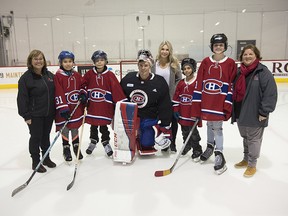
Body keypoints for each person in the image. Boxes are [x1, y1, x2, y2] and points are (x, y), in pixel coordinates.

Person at [191, 33, 237, 175]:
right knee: (210, 125)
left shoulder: (230, 63)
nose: (218, 47)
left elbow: (231, 84)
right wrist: (197, 103)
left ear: (225, 46)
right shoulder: (205, 62)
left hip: (219, 102)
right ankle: (210, 147)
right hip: (207, 102)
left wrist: (227, 103)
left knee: (217, 128)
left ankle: (219, 153)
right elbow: (199, 83)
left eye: (221, 45)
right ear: (212, 46)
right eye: (216, 45)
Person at [232, 44, 277, 177]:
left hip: (255, 113)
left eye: (251, 54)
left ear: (256, 56)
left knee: (253, 139)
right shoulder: (240, 72)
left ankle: (252, 164)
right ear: (241, 57)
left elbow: (270, 93)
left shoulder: (263, 72)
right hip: (240, 111)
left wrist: (264, 112)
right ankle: (246, 159)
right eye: (245, 54)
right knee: (245, 137)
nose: (248, 56)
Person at [121, 49, 172, 154]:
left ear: (150, 65)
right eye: (141, 65)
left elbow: (164, 104)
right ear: (137, 65)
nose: (143, 68)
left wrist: (165, 125)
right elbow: (120, 96)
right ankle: (136, 134)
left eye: (146, 65)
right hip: (132, 117)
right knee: (125, 142)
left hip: (150, 117)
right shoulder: (128, 78)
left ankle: (147, 134)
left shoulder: (159, 82)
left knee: (147, 144)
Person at [81, 50, 127, 157]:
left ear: (106, 61)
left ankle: (106, 142)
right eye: (97, 60)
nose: (99, 62)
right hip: (93, 106)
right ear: (94, 62)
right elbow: (83, 84)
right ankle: (93, 141)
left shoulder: (110, 75)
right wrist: (83, 94)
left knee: (103, 126)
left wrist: (121, 102)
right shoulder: (89, 74)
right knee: (93, 125)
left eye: (101, 60)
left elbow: (116, 89)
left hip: (104, 107)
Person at [17, 50, 56, 173]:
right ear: (30, 61)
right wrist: (26, 115)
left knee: (46, 137)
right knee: (36, 137)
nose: (38, 61)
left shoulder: (49, 75)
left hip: (49, 113)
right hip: (34, 115)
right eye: (35, 59)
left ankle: (46, 158)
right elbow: (22, 98)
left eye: (40, 59)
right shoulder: (26, 78)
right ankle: (35, 161)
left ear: (44, 61)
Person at [54, 51, 85, 162]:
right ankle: (66, 148)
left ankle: (76, 147)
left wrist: (82, 93)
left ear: (73, 62)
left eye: (70, 61)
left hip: (75, 106)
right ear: (61, 63)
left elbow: (82, 85)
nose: (68, 64)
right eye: (65, 61)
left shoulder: (76, 74)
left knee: (75, 126)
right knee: (65, 128)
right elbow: (58, 91)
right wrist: (62, 108)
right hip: (64, 107)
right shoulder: (58, 75)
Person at [152, 40, 182, 153]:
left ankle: (172, 143)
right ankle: (163, 143)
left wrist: (174, 90)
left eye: (167, 49)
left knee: (173, 121)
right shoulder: (154, 64)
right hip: (157, 99)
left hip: (170, 98)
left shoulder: (174, 64)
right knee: (160, 122)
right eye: (163, 49)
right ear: (160, 50)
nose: (164, 51)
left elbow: (179, 79)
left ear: (170, 51)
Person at [172, 58, 202, 161]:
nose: (186, 70)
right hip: (183, 113)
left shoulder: (198, 82)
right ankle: (187, 145)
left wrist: (199, 112)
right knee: (184, 131)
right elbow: (176, 97)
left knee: (193, 133)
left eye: (189, 68)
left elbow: (201, 98)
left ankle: (197, 149)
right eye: (184, 69)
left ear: (193, 68)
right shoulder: (180, 83)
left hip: (193, 114)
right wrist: (176, 110)